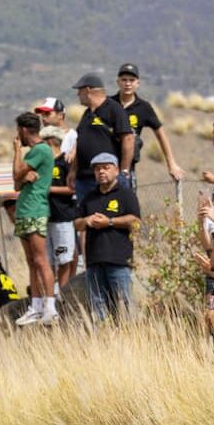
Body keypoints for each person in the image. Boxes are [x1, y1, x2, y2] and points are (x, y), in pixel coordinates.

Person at [75, 152, 141, 321]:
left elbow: (135, 221)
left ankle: (130, 337)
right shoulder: (89, 198)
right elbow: (76, 223)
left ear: (116, 170)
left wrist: (109, 222)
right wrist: (86, 220)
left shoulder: (126, 195)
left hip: (118, 260)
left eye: (106, 167)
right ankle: (104, 340)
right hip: (94, 260)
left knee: (124, 304)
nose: (101, 172)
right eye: (97, 169)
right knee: (98, 307)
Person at [12, 112, 58, 326]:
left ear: (23, 130)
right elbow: (17, 184)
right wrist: (23, 175)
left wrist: (16, 152)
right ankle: (36, 305)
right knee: (31, 262)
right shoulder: (33, 154)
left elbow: (16, 173)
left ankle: (50, 306)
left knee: (41, 260)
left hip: (35, 210)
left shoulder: (40, 150)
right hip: (24, 210)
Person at [112, 63, 185, 187]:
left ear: (138, 83)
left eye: (131, 80)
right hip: (107, 164)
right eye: (124, 80)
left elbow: (161, 134)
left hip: (128, 167)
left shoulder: (144, 107)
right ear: (118, 82)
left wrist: (171, 164)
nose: (128, 83)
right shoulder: (109, 104)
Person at [68, 73, 135, 203]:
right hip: (84, 179)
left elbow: (128, 139)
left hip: (106, 179)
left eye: (79, 91)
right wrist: (73, 170)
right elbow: (79, 142)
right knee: (86, 218)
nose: (78, 95)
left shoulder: (114, 109)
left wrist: (124, 170)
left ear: (87, 91)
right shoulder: (87, 114)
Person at [42, 125, 78, 288]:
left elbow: (72, 188)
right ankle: (51, 296)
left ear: (50, 142)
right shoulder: (43, 165)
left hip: (62, 218)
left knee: (64, 260)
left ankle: (63, 294)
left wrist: (49, 189)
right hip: (45, 218)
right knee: (48, 261)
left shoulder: (66, 162)